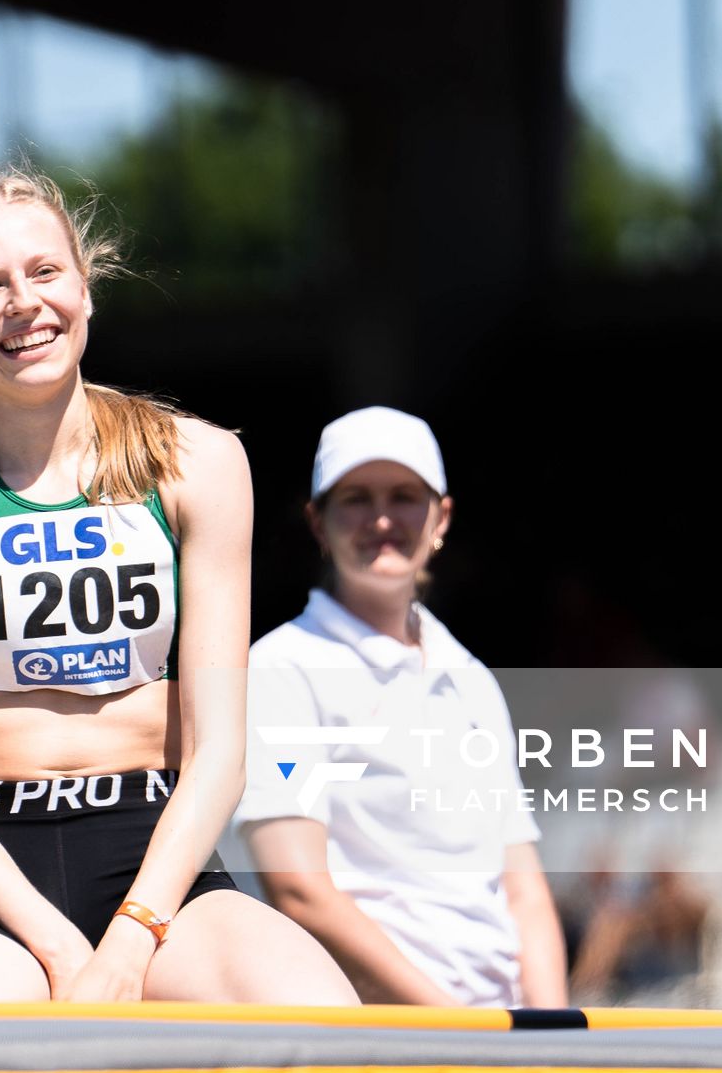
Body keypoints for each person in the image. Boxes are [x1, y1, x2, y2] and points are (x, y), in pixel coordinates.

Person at [0, 165, 355, 1004]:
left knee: (320, 1018)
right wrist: (57, 946)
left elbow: (220, 754)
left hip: (161, 867)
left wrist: (129, 940)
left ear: (85, 286)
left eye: (44, 271)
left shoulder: (199, 462)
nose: (23, 303)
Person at [235, 407, 568, 1007]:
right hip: (389, 1033)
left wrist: (550, 1034)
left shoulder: (470, 678)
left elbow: (524, 890)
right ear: (317, 522)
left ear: (442, 517)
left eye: (404, 496)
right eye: (356, 498)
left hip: (500, 1032)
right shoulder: (281, 670)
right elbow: (300, 891)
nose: (382, 518)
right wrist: (455, 1027)